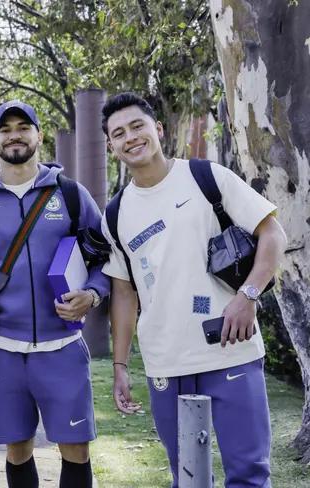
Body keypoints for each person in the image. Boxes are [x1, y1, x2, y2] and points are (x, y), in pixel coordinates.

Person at [101, 92, 287, 487]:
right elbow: (124, 293)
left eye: (138, 126)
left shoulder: (207, 176)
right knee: (186, 478)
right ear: (111, 146)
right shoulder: (115, 214)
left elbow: (273, 233)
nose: (131, 137)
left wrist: (248, 295)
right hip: (166, 363)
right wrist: (119, 366)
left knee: (249, 475)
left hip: (230, 351)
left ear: (159, 129)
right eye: (119, 133)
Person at [0, 100, 109, 488]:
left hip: (62, 347)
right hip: (4, 351)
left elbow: (104, 261)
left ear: (38, 135)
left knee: (76, 449)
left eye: (23, 127)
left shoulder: (71, 195)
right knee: (17, 448)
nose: (15, 134)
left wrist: (93, 294)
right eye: (5, 128)